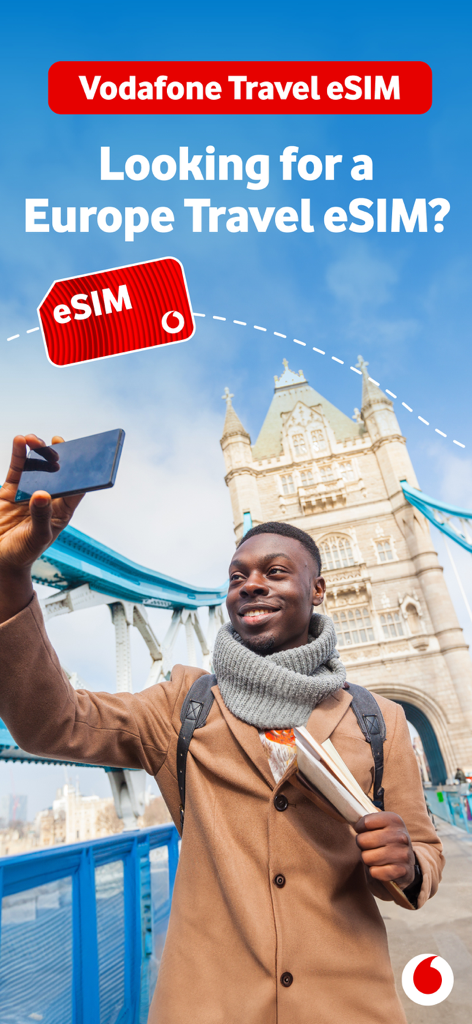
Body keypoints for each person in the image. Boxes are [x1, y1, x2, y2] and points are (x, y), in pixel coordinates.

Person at [0, 434, 444, 1024]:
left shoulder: (376, 718)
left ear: (317, 591)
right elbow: (51, 725)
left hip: (347, 1006)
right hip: (206, 1006)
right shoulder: (182, 703)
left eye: (276, 572)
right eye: (237, 576)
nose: (250, 583)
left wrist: (408, 864)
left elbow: (425, 852)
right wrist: (10, 578)